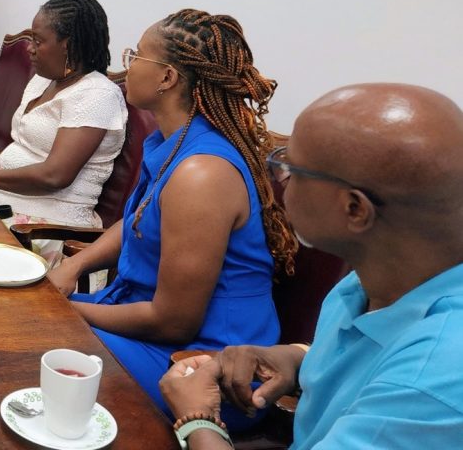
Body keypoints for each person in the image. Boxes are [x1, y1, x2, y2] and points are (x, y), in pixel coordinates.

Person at [160, 84, 463, 448]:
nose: (279, 181)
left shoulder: (431, 379)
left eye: (290, 168)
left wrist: (197, 419)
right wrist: (295, 358)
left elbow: (405, 372)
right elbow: (371, 359)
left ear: (355, 209)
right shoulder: (372, 282)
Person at [47, 9, 295, 428]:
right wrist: (75, 264)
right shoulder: (170, 141)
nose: (124, 70)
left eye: (136, 56)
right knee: (14, 319)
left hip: (204, 365)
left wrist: (62, 309)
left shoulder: (201, 174)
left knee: (30, 342)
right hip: (145, 322)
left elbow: (173, 322)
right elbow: (139, 221)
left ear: (167, 78)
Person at [0, 0, 126, 232]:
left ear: (69, 44)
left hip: (45, 227)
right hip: (3, 203)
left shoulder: (97, 94)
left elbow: (55, 176)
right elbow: (20, 145)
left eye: (38, 41)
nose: (30, 49)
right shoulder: (43, 81)